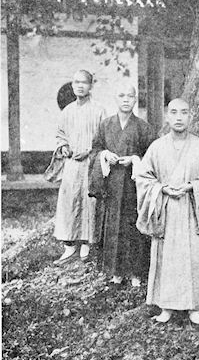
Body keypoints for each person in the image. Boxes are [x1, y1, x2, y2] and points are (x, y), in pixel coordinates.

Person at [135, 98, 199, 324]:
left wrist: (193, 186)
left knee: (194, 257)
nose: (179, 117)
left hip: (192, 210)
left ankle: (195, 307)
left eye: (184, 112)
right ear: (167, 116)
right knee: (166, 256)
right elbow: (144, 178)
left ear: (190, 116)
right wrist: (161, 188)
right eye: (174, 112)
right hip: (166, 210)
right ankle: (166, 306)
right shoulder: (157, 147)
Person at [88, 84, 155, 286]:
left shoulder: (144, 127)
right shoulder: (106, 125)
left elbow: (152, 156)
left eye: (130, 96)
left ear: (136, 100)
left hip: (134, 186)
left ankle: (136, 272)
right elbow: (95, 150)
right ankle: (115, 272)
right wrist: (104, 155)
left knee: (133, 226)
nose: (126, 99)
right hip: (112, 185)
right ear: (115, 99)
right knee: (113, 227)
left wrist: (135, 159)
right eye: (121, 95)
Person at [53, 70, 106, 265]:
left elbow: (104, 137)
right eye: (76, 82)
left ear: (91, 86)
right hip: (72, 165)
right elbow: (60, 134)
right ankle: (69, 246)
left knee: (87, 201)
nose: (80, 86)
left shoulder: (99, 110)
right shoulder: (67, 111)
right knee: (69, 201)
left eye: (84, 83)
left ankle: (86, 245)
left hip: (90, 164)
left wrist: (90, 150)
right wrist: (64, 147)